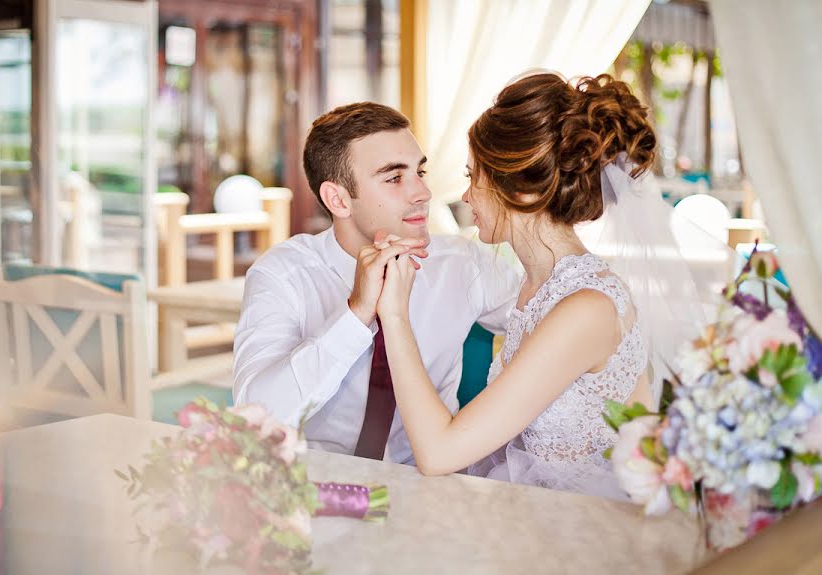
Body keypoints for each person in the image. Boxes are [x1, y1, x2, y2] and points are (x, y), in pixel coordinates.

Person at [375, 73, 662, 499]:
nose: (466, 196)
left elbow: (437, 454)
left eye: (474, 177)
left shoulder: (587, 307)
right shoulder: (538, 285)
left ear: (522, 193)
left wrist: (393, 314)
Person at [233, 102, 521, 465]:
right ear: (338, 199)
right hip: (321, 489)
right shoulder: (283, 275)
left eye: (421, 172)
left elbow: (555, 323)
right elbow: (255, 414)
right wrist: (356, 315)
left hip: (435, 487)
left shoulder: (463, 264)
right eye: (394, 178)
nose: (423, 193)